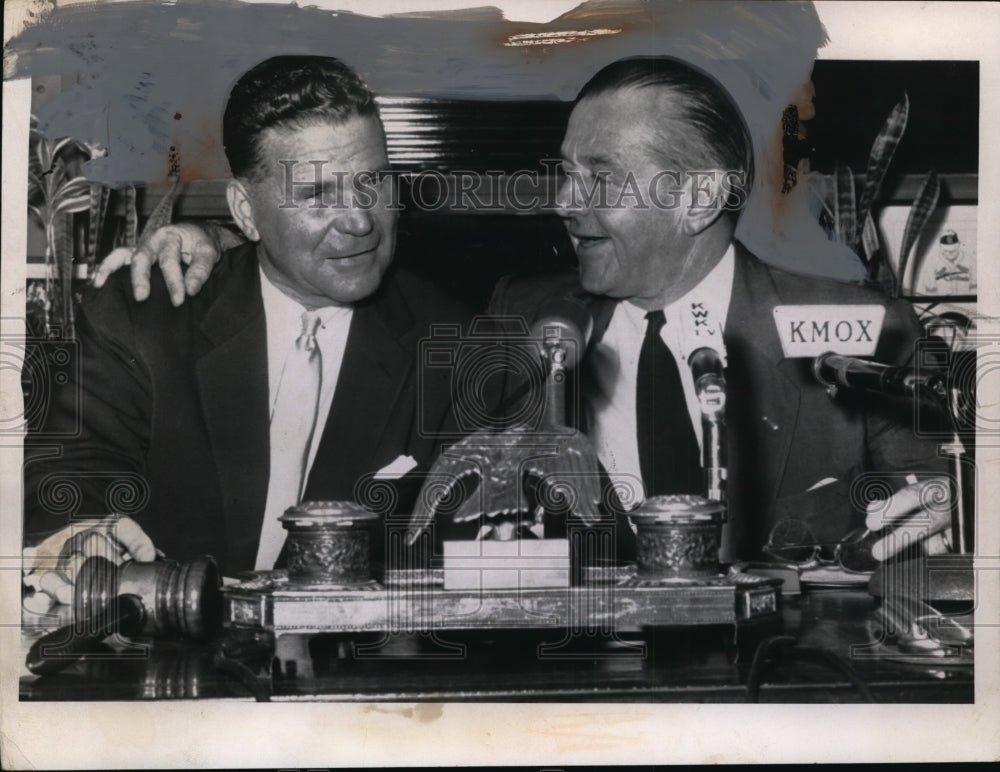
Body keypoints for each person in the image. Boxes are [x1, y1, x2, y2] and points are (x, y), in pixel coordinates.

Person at [92, 56, 953, 567]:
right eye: (563, 172)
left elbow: (950, 487)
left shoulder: (857, 329)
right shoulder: (512, 319)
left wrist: (966, 504)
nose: (564, 204)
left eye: (600, 180)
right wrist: (210, 241)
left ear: (698, 196)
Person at [24, 55, 469, 599]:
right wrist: (88, 535)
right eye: (317, 195)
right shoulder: (145, 313)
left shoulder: (454, 342)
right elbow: (69, 468)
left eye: (373, 182)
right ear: (244, 211)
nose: (359, 220)